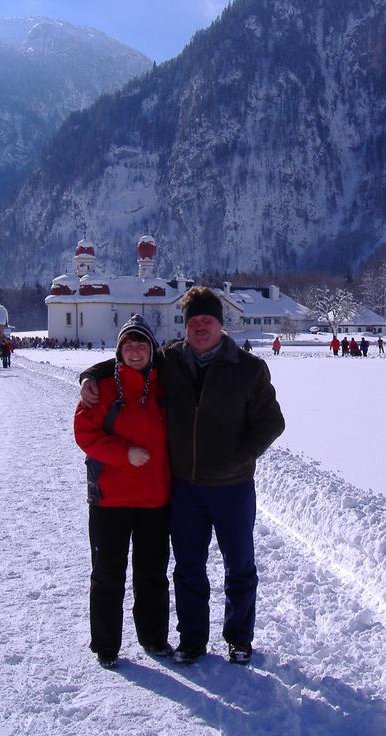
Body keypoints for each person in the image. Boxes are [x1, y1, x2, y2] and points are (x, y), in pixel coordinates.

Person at [80, 286, 285, 666]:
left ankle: (239, 639)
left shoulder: (249, 368)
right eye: (194, 321)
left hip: (232, 487)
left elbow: (272, 422)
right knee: (188, 568)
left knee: (239, 566)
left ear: (221, 325)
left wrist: (238, 457)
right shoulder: (171, 360)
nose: (200, 327)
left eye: (207, 320)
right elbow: (130, 359)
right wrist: (90, 374)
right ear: (186, 327)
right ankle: (193, 641)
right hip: (186, 488)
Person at [74, 315, 172, 669]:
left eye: (142, 344)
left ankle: (154, 639)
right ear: (119, 350)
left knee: (152, 574)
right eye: (128, 345)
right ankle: (106, 645)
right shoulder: (101, 387)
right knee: (107, 574)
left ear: (152, 349)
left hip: (154, 498)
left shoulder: (166, 383)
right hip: (110, 499)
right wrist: (124, 454)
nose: (135, 351)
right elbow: (85, 435)